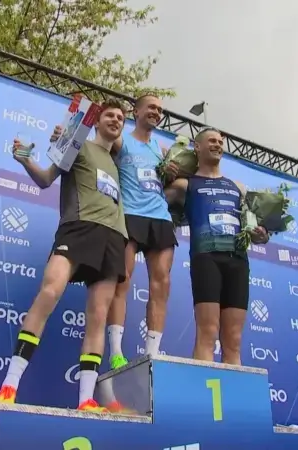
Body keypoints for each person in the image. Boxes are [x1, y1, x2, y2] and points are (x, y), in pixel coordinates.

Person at [0, 98, 128, 413]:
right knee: (50, 292)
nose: (116, 120)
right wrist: (26, 158)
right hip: (77, 229)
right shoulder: (79, 147)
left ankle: (86, 401)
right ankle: (9, 386)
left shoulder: (121, 163)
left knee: (98, 315)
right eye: (110, 115)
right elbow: (45, 179)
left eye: (121, 117)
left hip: (113, 237)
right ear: (96, 120)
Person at [164, 127, 269, 365]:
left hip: (238, 261)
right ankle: (204, 398)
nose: (217, 145)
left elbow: (256, 229)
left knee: (233, 338)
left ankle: (233, 399)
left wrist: (261, 234)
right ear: (197, 147)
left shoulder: (238, 187)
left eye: (220, 142)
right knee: (208, 332)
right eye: (211, 141)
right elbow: (151, 200)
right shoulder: (184, 184)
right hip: (206, 258)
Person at [106, 94, 177, 370]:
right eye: (151, 108)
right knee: (121, 280)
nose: (156, 113)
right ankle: (116, 352)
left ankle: (152, 353)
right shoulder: (123, 139)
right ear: (136, 111)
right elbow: (100, 143)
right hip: (130, 215)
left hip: (159, 217)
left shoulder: (161, 148)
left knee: (161, 285)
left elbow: (174, 185)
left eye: (159, 110)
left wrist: (172, 175)